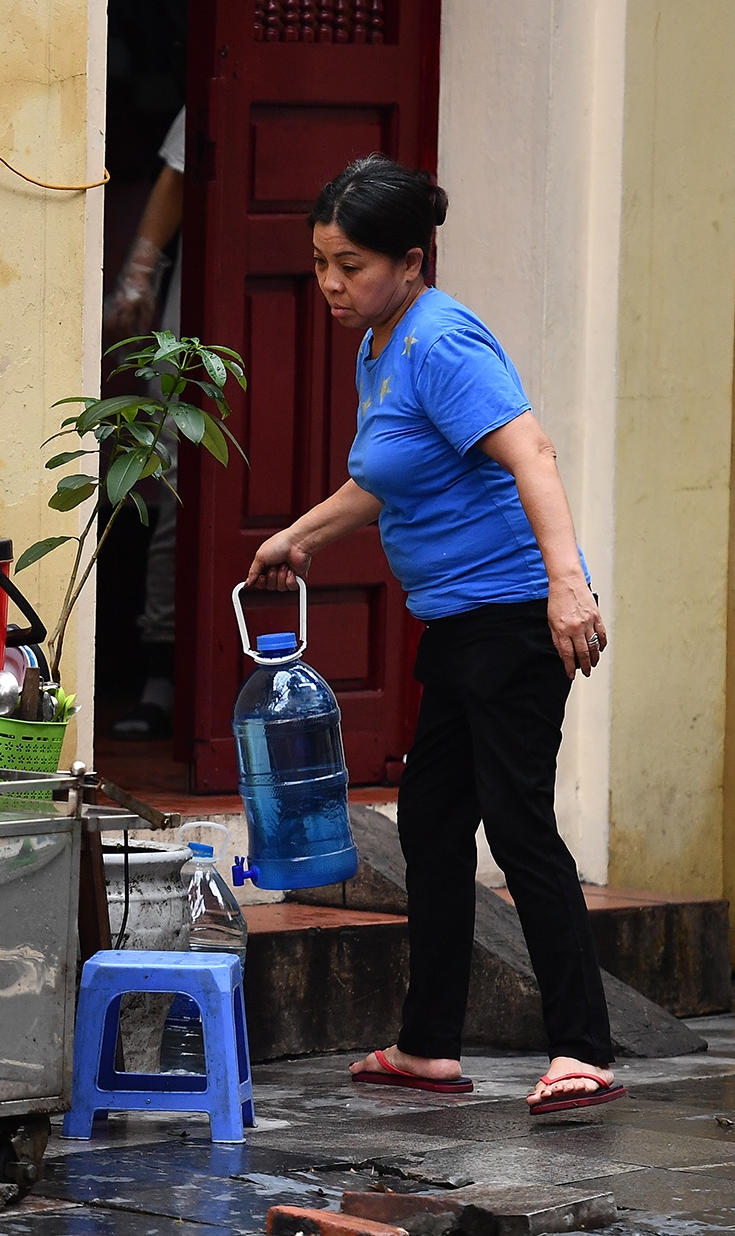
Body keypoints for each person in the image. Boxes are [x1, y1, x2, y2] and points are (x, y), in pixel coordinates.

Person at [246, 154, 623, 1115]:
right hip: (458, 627)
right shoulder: (384, 344)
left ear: (411, 261)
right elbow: (389, 477)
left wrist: (568, 588)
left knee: (518, 826)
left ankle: (583, 1049)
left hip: (514, 620)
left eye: (351, 265)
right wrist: (300, 534)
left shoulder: (443, 340)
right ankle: (428, 1047)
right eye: (321, 263)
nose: (331, 284)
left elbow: (531, 452)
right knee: (433, 824)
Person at [102, 110, 185, 739]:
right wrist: (138, 276)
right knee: (174, 471)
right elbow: (176, 173)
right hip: (204, 303)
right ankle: (162, 675)